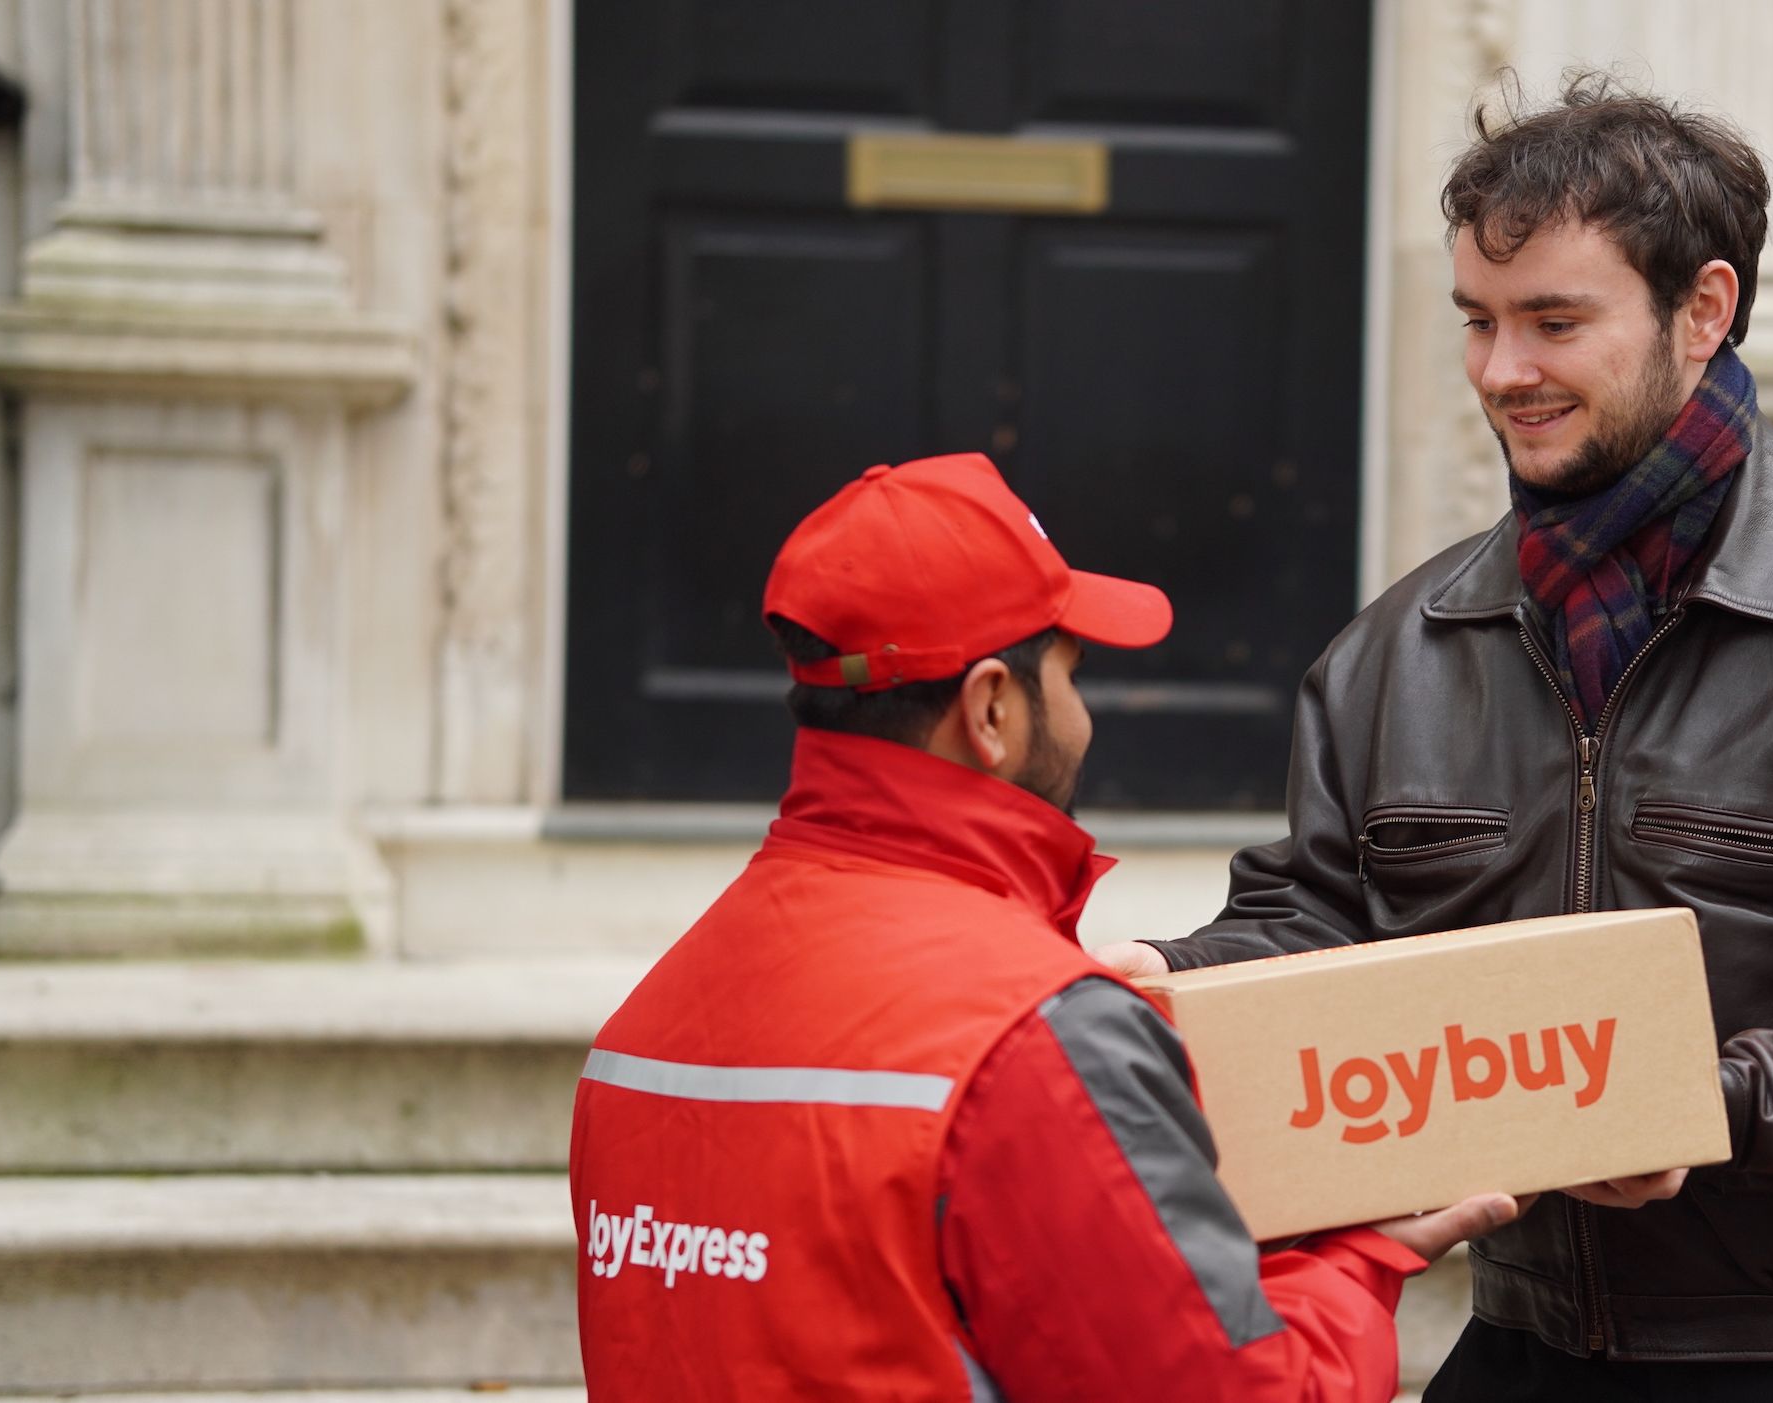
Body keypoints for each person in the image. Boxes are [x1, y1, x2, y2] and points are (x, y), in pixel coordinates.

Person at [1097, 75, 1773, 1403]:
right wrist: (1183, 977)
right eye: (1477, 320)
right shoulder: (1397, 647)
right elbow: (1323, 920)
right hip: (1517, 1345)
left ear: (1703, 310)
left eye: (1552, 321)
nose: (1499, 371)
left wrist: (1719, 1109)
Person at [568, 452, 1529, 1402]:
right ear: (991, 708)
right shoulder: (1033, 1042)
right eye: (1068, 673)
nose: (1083, 716)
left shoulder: (641, 1032)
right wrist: (1357, 1260)